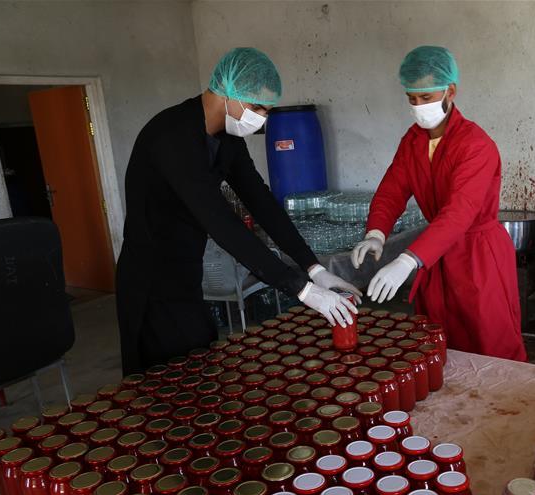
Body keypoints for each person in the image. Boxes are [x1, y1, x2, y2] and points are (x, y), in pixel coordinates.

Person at [117, 47, 359, 375]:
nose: (262, 119)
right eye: (257, 108)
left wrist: (314, 268)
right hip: (150, 280)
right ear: (228, 92)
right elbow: (220, 222)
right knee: (166, 377)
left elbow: (262, 203)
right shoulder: (171, 136)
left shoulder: (227, 139)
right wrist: (301, 289)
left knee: (199, 360)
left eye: (267, 111)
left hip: (186, 272)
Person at [351, 46, 526, 361]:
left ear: (450, 92)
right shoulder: (413, 140)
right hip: (434, 255)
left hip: (477, 255)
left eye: (426, 97)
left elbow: (459, 213)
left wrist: (408, 260)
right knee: (438, 344)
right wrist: (376, 232)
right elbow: (392, 190)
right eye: (412, 99)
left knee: (489, 341)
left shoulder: (475, 145)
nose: (419, 107)